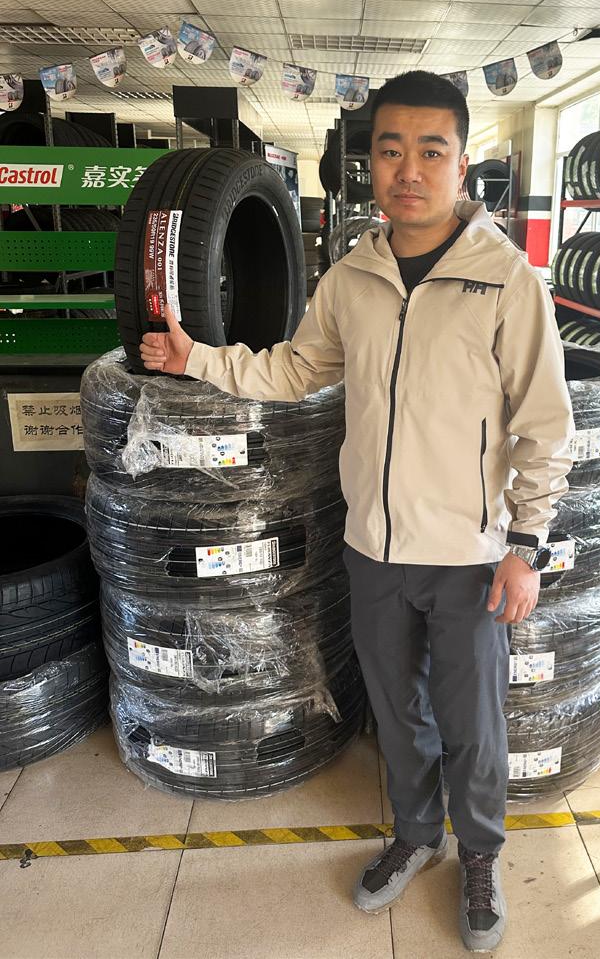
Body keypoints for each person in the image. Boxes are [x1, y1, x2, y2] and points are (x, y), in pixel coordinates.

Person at [140, 70, 574, 953]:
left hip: (469, 552)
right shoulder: (351, 278)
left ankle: (480, 853)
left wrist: (525, 543)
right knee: (396, 708)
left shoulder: (507, 280)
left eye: (431, 151)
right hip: (373, 548)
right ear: (368, 162)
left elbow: (546, 424)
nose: (409, 170)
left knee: (473, 720)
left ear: (462, 165)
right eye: (390, 149)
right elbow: (297, 370)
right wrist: (198, 359)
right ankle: (416, 834)